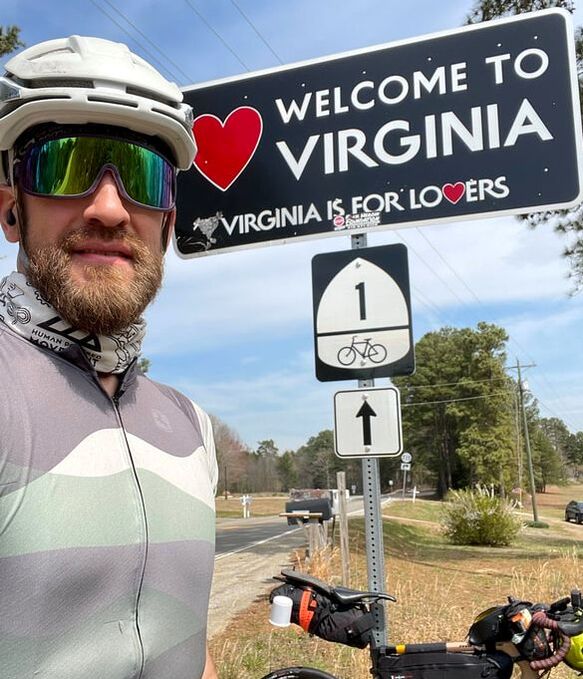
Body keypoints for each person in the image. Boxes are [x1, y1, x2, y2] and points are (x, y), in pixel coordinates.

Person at [0, 35, 219, 679]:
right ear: (12, 208)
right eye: (65, 167)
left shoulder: (191, 427)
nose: (107, 208)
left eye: (143, 177)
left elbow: (187, 643)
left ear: (168, 224)